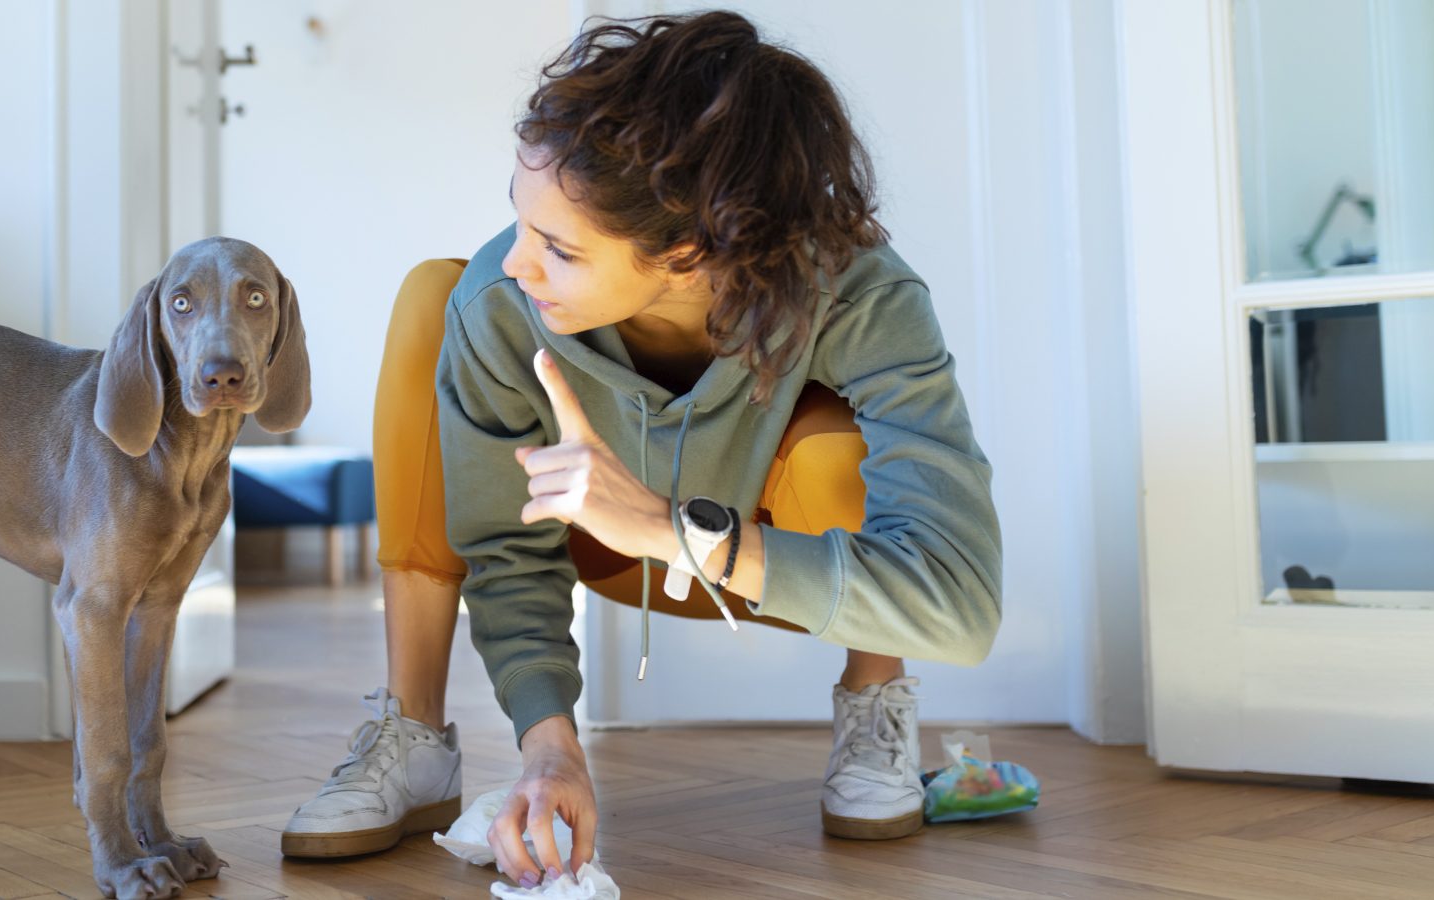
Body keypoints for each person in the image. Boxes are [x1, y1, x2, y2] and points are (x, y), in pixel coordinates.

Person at [280, 11, 1001, 887]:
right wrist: (551, 749)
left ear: (689, 251)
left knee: (830, 441)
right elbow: (506, 553)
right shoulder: (500, 305)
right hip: (599, 551)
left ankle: (875, 702)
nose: (517, 264)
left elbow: (962, 609)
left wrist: (676, 529)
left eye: (558, 247)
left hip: (782, 565)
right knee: (438, 299)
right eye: (521, 221)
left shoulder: (863, 294)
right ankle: (416, 732)